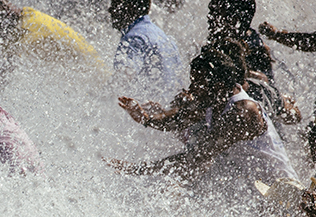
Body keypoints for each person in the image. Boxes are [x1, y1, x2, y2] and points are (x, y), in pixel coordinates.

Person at [108, 43, 300, 196]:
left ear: (216, 85)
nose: (192, 89)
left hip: (282, 193)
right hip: (257, 190)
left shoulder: (242, 111)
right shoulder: (214, 100)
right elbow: (175, 119)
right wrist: (146, 118)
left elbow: (197, 157)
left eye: (197, 83)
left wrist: (137, 170)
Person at [0, 0, 105, 75]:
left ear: (3, 14)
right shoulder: (27, 15)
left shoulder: (30, 31)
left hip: (95, 81)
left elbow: (10, 71)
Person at [109, 0, 182, 102]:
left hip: (145, 113)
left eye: (115, 4)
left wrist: (96, 98)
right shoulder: (164, 38)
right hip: (166, 112)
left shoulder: (134, 39)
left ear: (130, 7)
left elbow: (124, 76)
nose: (110, 10)